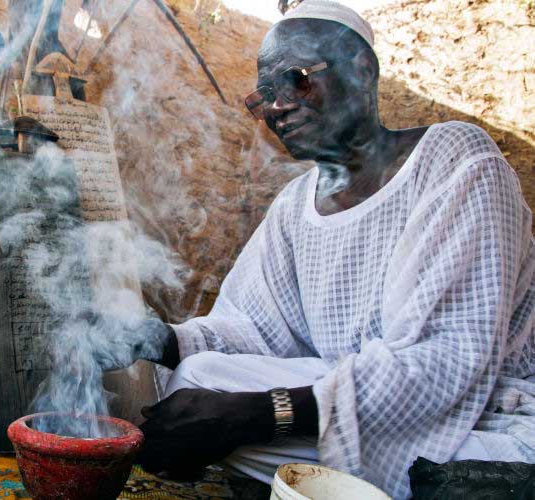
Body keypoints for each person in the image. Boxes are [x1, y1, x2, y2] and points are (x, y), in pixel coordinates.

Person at [131, 1, 535, 498]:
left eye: (296, 80)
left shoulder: (453, 160)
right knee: (199, 378)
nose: (277, 107)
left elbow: (446, 361)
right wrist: (159, 340)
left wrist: (266, 414)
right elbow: (260, 330)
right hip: (349, 403)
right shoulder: (296, 203)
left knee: (222, 416)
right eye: (264, 96)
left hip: (478, 418)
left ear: (363, 70)